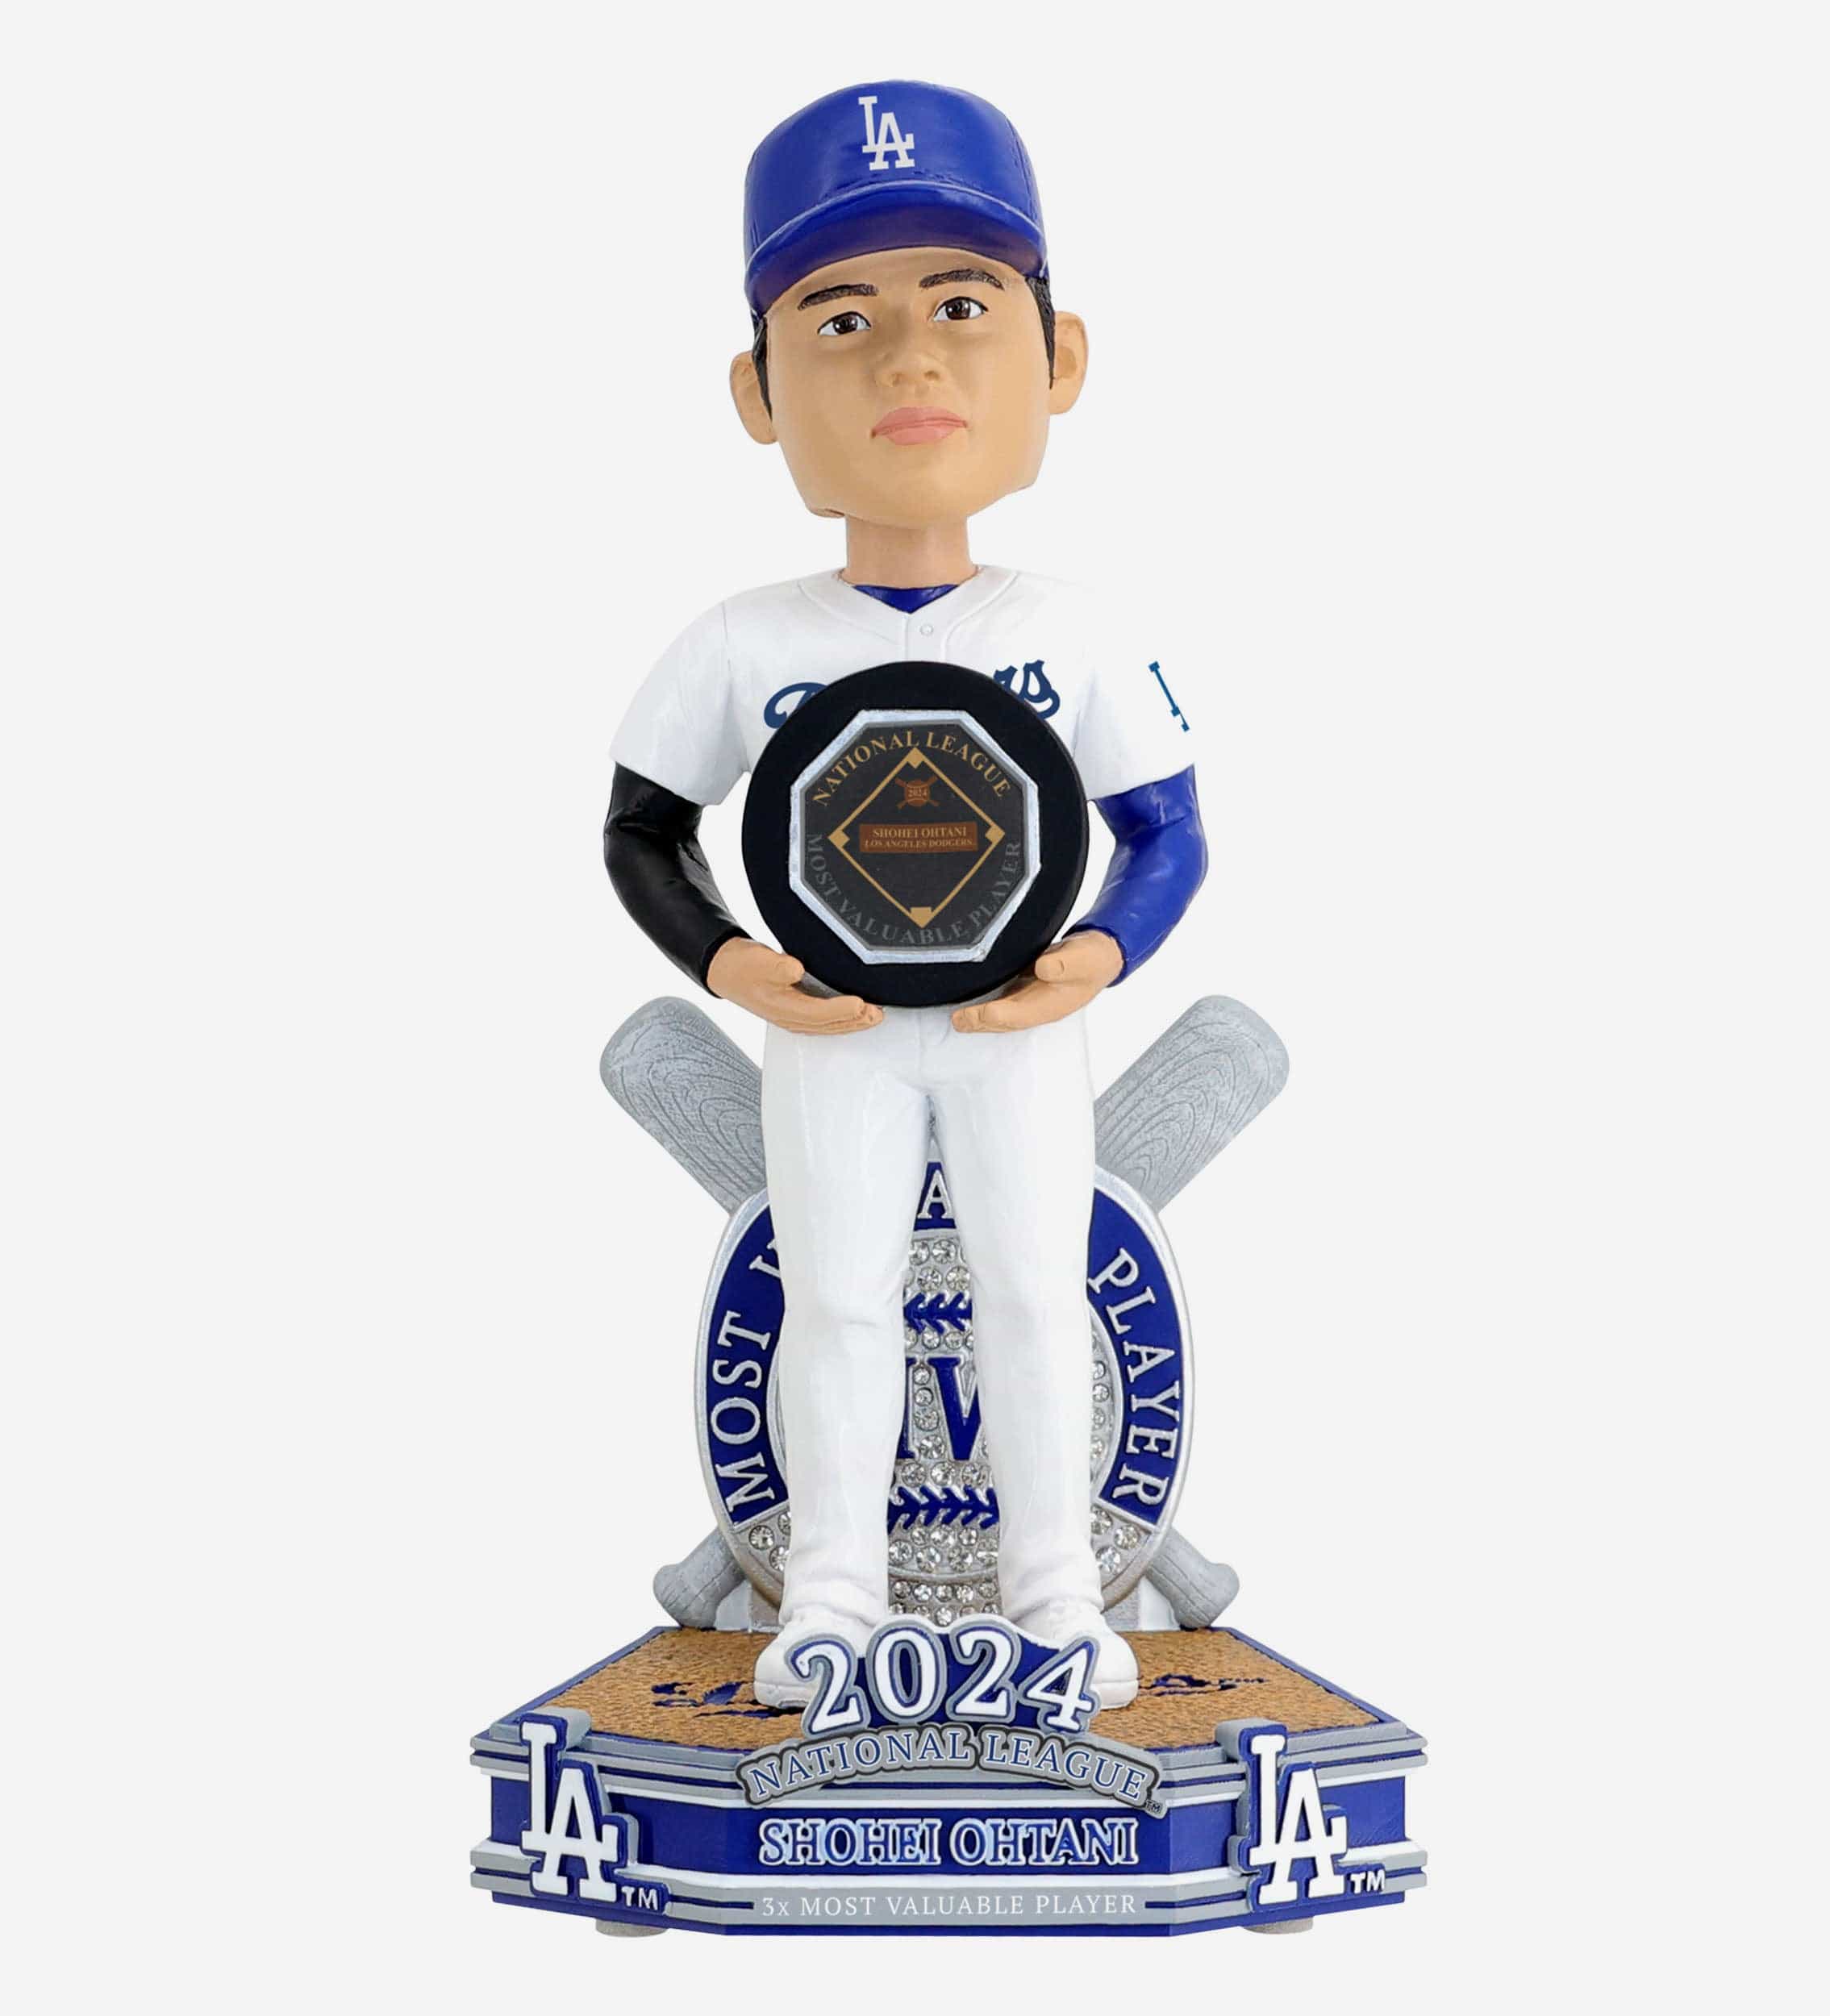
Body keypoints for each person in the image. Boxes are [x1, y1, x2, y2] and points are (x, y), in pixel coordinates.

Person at [605, 82, 1206, 1707]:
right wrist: (731, 962)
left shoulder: (1073, 629)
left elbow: (1167, 833)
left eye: (959, 306)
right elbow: (642, 829)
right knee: (837, 1299)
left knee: (1036, 1294)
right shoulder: (745, 640)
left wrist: (1096, 953)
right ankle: (830, 1599)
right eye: (840, 320)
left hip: (1017, 1029)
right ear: (758, 387)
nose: (907, 364)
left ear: (1057, 355)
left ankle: (1058, 1601)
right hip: (838, 1032)